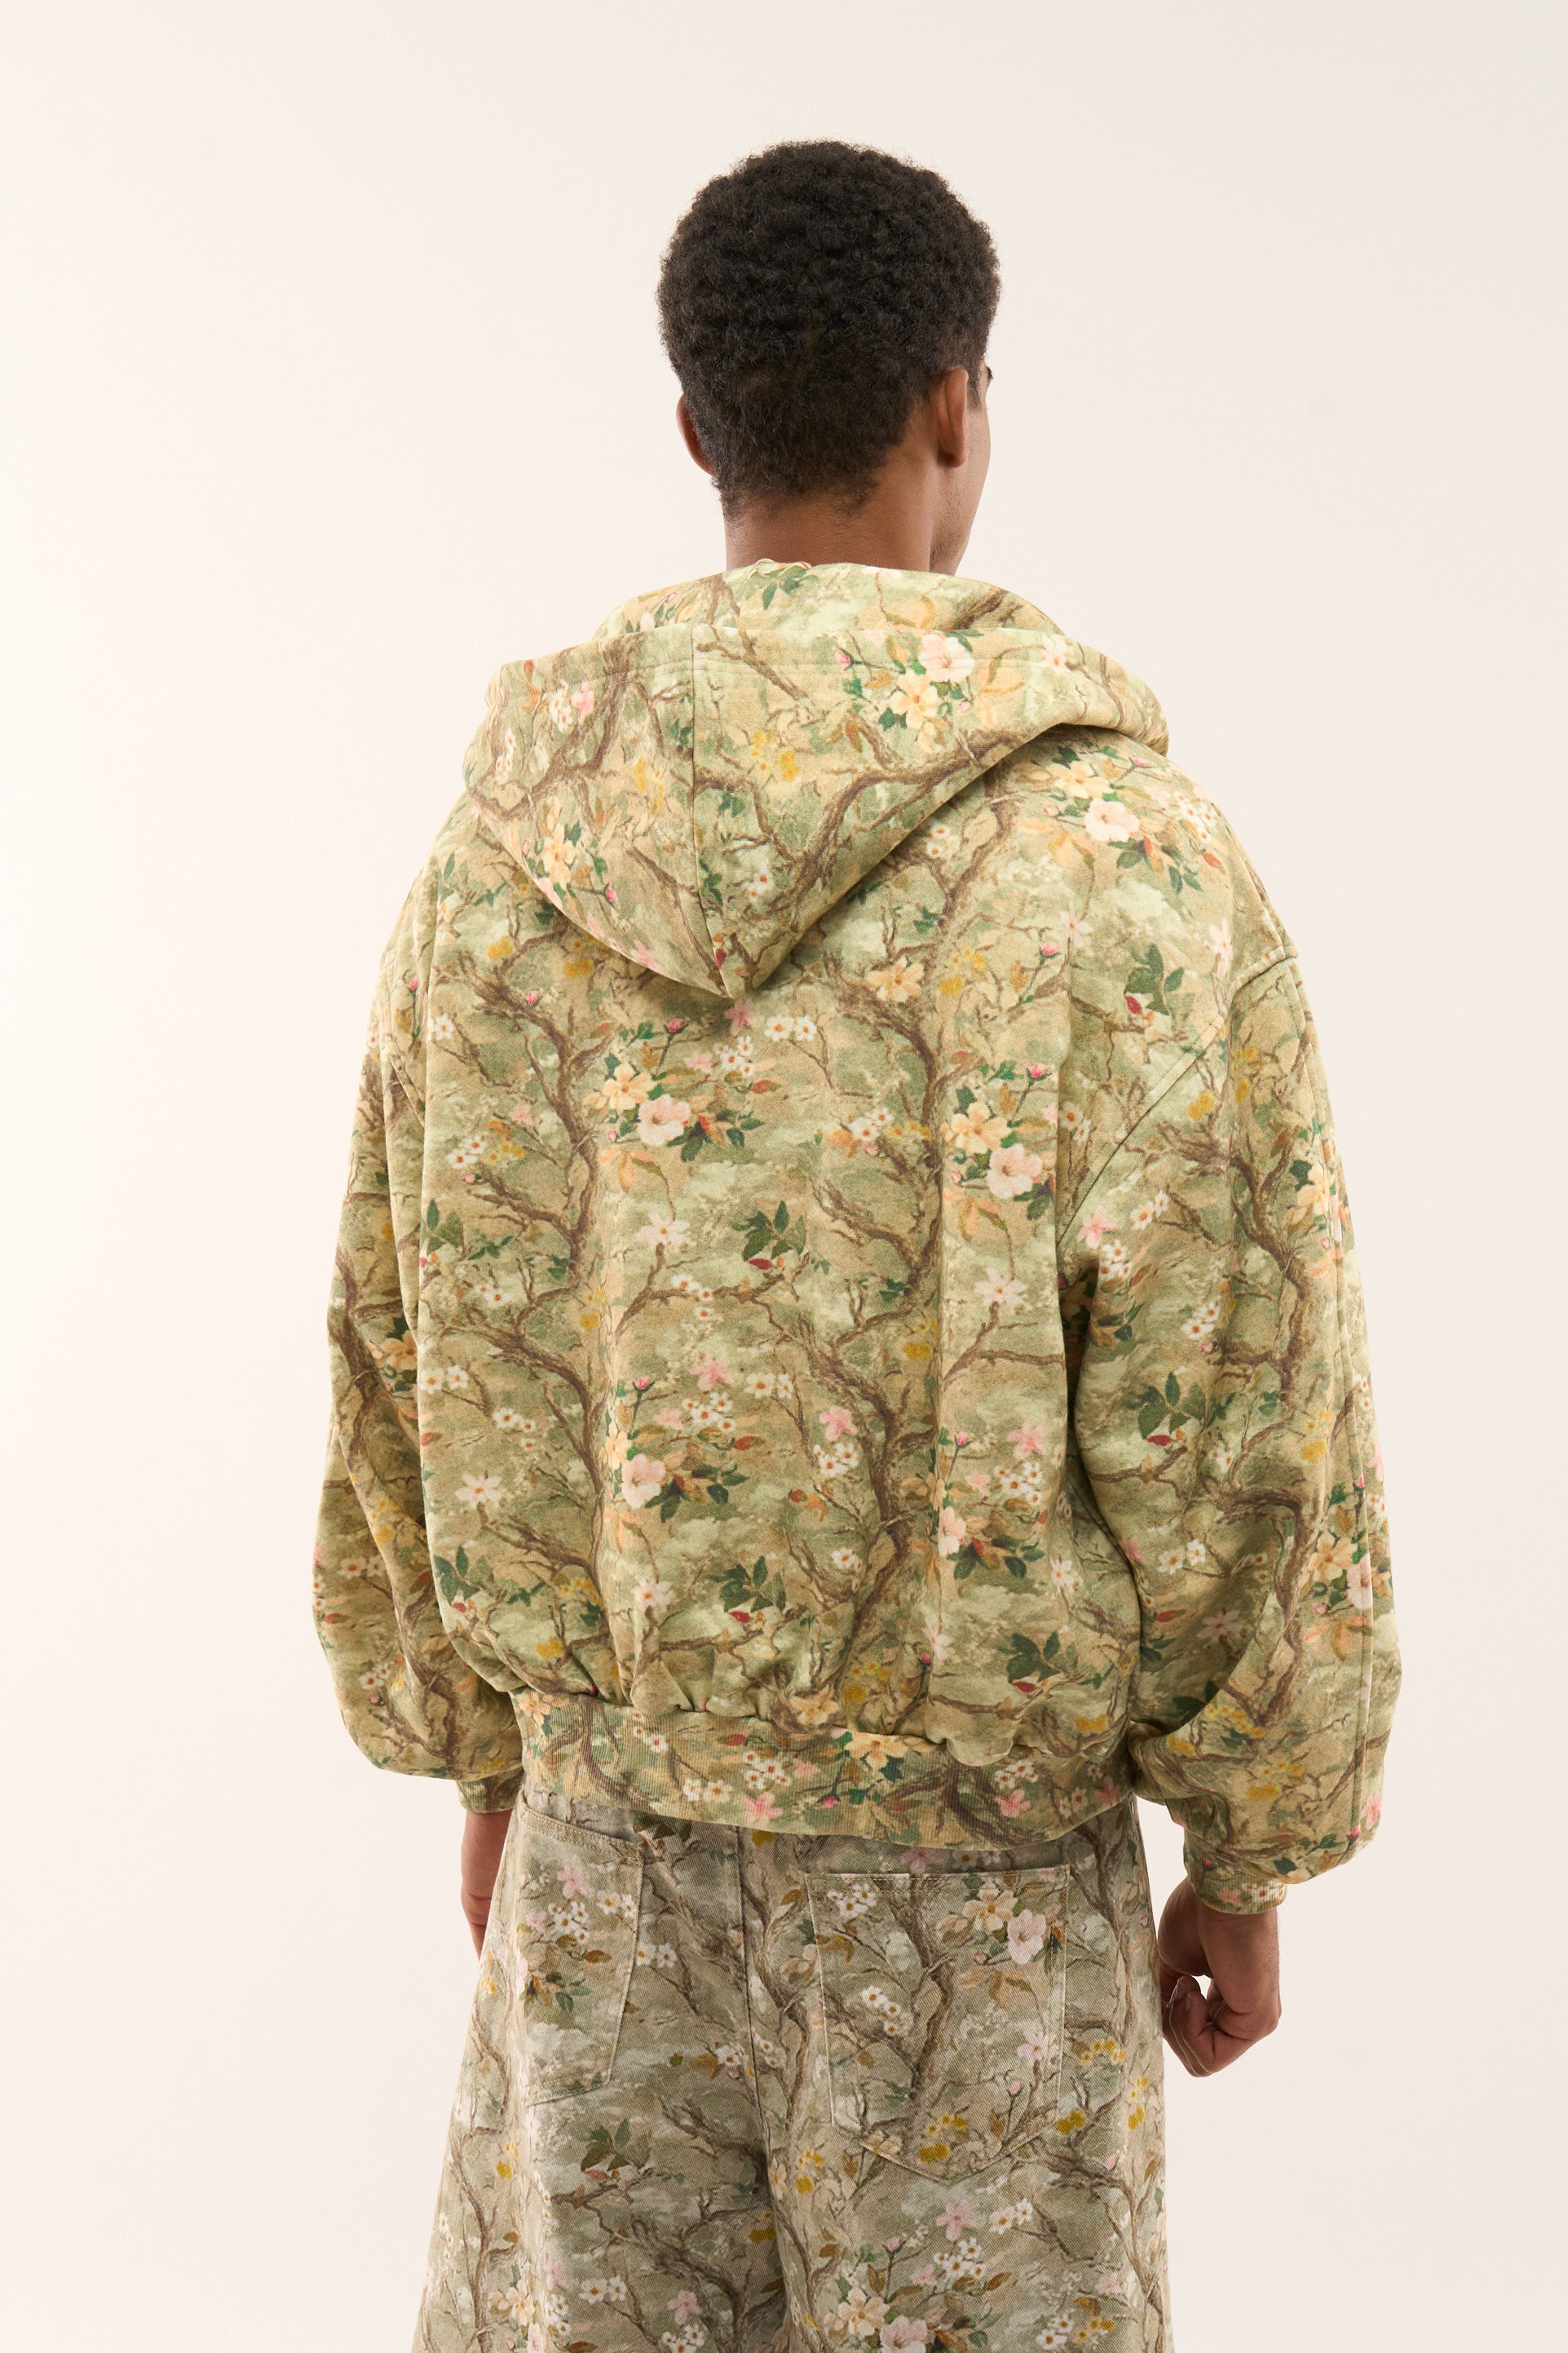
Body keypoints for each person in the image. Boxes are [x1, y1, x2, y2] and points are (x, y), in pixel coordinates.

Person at [313, 141, 1399, 2353]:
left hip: (607, 1863)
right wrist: (1250, 1844)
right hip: (973, 1903)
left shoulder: (497, 865)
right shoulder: (1119, 862)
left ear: (693, 429)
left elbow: (405, 1326)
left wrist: (494, 1752)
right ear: (953, 405)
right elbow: (1241, 1391)